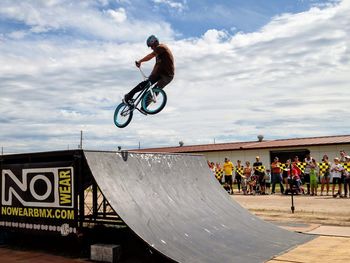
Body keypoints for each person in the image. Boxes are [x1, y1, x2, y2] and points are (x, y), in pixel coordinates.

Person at [123, 35, 175, 105]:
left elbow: (150, 56)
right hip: (160, 73)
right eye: (150, 47)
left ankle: (144, 105)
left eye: (151, 46)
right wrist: (151, 76)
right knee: (146, 83)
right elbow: (157, 65)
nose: (151, 48)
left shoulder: (161, 47)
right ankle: (129, 96)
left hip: (168, 75)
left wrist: (140, 61)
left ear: (155, 42)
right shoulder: (158, 54)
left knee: (156, 89)